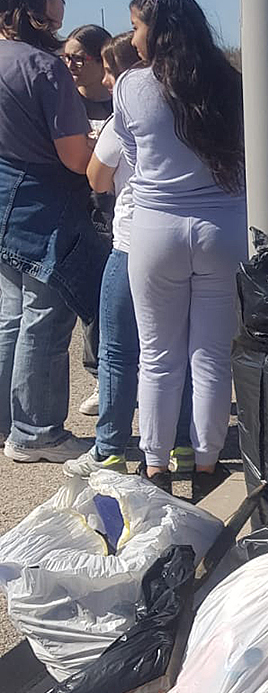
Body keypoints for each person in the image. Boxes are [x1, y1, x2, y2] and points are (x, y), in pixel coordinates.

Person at [115, 0, 246, 492]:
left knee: (158, 354)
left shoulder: (131, 86)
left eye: (137, 26)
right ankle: (208, 462)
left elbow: (131, 154)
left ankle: (156, 462)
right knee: (211, 354)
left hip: (155, 231)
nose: (133, 37)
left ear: (159, 31)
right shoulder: (233, 84)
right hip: (222, 229)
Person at [64, 32, 195, 478]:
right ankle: (185, 444)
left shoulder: (128, 113)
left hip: (133, 241)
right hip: (185, 240)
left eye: (107, 68)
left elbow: (97, 178)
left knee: (119, 349)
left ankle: (110, 448)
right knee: (179, 347)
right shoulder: (192, 108)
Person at [0, 0, 102, 462]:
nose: (64, 4)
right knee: (46, 316)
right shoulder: (45, 68)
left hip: (4, 202)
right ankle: (36, 433)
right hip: (45, 207)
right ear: (37, 4)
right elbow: (75, 157)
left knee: (12, 315)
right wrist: (101, 144)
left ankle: (8, 420)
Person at [64, 23, 115, 417]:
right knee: (92, 303)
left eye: (78, 58)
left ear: (101, 60)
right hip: (79, 212)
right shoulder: (64, 102)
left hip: (117, 210)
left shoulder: (120, 101)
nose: (71, 65)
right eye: (66, 58)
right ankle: (99, 376)